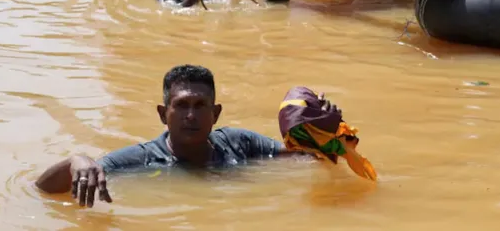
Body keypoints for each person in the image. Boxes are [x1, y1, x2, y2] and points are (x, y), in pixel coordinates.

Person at [34, 65, 317, 207]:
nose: (191, 116)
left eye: (199, 106)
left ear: (215, 114)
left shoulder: (239, 143)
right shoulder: (141, 160)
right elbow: (41, 190)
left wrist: (324, 129)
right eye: (181, 106)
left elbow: (305, 156)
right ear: (162, 114)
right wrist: (76, 161)